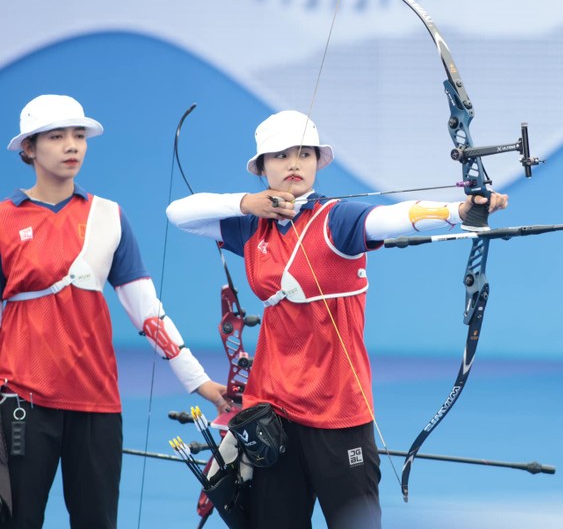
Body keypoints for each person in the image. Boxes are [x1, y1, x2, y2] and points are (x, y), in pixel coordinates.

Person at [165, 110, 508, 528]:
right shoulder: (252, 228)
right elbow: (179, 213)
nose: (294, 163)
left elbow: (391, 217)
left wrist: (458, 210)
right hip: (272, 412)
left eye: (305, 154)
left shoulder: (336, 220)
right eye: (281, 155)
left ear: (316, 162)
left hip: (337, 411)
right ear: (262, 168)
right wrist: (246, 203)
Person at [0, 94, 231, 529]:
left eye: (79, 136)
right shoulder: (4, 220)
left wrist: (200, 383)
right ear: (28, 148)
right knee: (17, 520)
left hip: (97, 406)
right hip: (21, 403)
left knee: (97, 522)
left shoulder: (109, 216)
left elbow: (149, 315)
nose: (72, 145)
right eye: (57, 136)